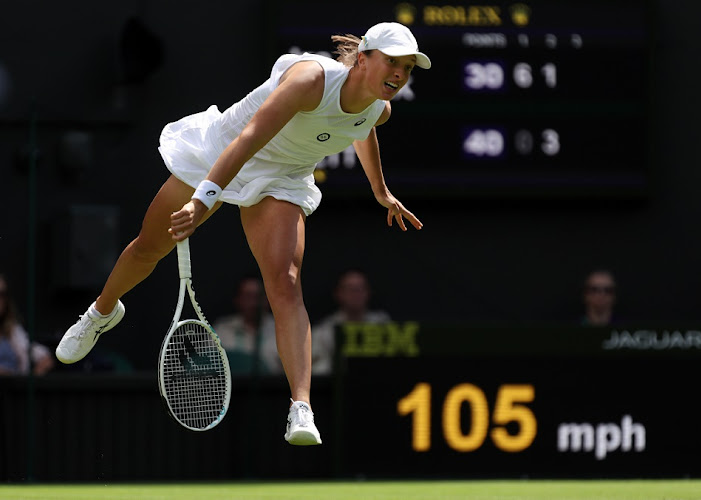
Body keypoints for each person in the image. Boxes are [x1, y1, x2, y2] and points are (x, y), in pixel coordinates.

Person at [55, 22, 429, 446]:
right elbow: (250, 138)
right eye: (391, 62)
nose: (399, 74)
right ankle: (101, 312)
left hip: (283, 177)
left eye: (407, 67)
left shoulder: (379, 107)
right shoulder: (310, 80)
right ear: (363, 58)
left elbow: (363, 131)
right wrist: (201, 200)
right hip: (226, 151)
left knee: (286, 282)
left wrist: (381, 192)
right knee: (148, 248)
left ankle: (300, 407)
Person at [311, 268, 390, 375]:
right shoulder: (323, 332)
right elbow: (317, 369)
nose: (356, 294)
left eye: (360, 289)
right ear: (338, 293)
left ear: (368, 293)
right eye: (351, 289)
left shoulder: (383, 325)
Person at [213, 274, 282, 376]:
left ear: (268, 299)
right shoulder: (221, 330)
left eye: (258, 297)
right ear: (238, 300)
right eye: (248, 296)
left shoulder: (284, 332)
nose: (254, 303)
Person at [0, 274, 54, 376]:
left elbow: (45, 358)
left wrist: (26, 380)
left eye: (2, 294)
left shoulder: (13, 331)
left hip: (10, 389)